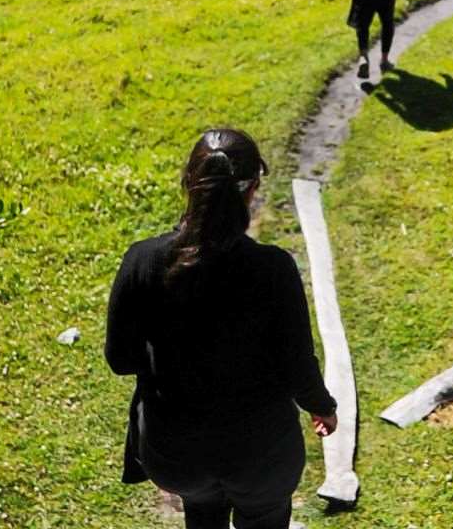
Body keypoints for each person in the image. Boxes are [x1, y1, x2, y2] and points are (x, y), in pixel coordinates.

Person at [106, 128, 338, 529]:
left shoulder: (142, 261)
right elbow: (297, 363)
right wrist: (322, 406)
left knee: (202, 509)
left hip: (176, 454)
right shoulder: (273, 269)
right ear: (252, 191)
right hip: (261, 457)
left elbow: (121, 359)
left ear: (189, 185)